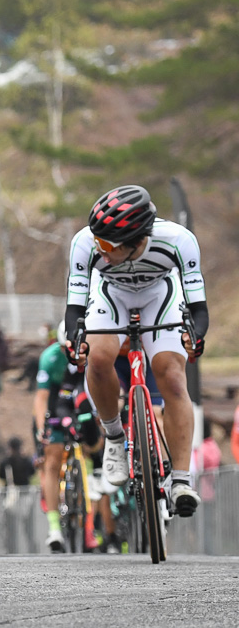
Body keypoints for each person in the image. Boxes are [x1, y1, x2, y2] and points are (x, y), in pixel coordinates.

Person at [64, 185, 209, 517]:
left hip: (161, 295)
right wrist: (77, 339)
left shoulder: (177, 240)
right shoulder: (86, 242)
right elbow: (74, 309)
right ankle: (114, 437)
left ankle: (181, 481)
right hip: (110, 293)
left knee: (172, 376)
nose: (97, 248)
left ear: (136, 241)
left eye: (105, 244)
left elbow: (199, 308)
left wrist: (196, 337)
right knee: (98, 358)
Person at [32, 321, 100, 552]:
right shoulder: (49, 358)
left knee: (94, 450)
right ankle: (54, 528)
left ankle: (89, 527)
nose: (67, 354)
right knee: (52, 460)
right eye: (64, 349)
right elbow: (41, 398)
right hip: (54, 405)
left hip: (80, 401)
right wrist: (42, 428)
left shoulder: (92, 352)